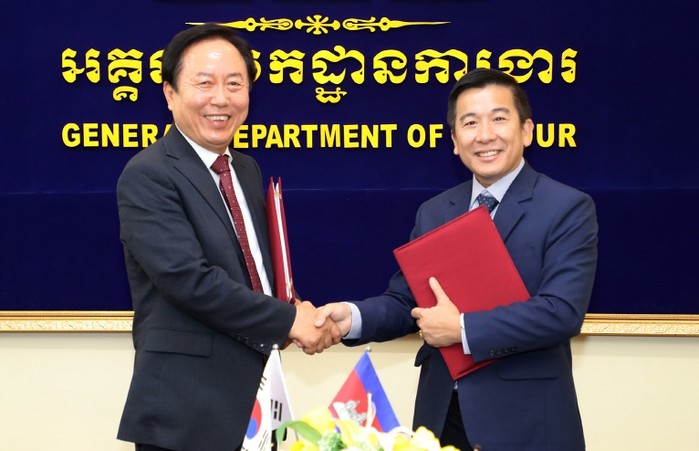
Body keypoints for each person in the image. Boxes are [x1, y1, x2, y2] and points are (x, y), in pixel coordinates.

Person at [316, 68, 598, 450]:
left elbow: (561, 312)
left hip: (526, 423)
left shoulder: (567, 207)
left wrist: (462, 329)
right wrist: (351, 318)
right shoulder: (435, 211)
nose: (485, 135)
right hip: (440, 420)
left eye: (499, 118)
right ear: (454, 140)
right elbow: (406, 302)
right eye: (470, 122)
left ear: (527, 130)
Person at [116, 24, 340, 451]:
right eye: (204, 83)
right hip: (186, 412)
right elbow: (189, 281)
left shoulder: (246, 170)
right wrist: (288, 320)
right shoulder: (148, 174)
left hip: (256, 403)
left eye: (235, 84)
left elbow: (252, 274)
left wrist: (293, 307)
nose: (221, 98)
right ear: (170, 94)